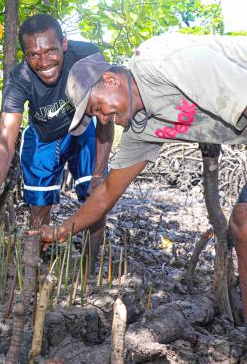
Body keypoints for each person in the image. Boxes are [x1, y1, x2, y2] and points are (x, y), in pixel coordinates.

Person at [40, 32, 247, 318]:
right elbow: (108, 192)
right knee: (243, 227)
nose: (101, 119)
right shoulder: (140, 128)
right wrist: (60, 231)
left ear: (110, 80)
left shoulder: (160, 62)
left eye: (96, 107)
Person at [0, 14, 114, 258]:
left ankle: (91, 264)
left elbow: (106, 118)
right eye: (33, 55)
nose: (43, 62)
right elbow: (5, 139)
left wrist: (99, 174)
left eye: (51, 51)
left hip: (82, 130)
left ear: (64, 44)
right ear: (25, 55)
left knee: (95, 197)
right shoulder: (20, 79)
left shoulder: (86, 59)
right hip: (43, 136)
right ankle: (37, 263)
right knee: (38, 208)